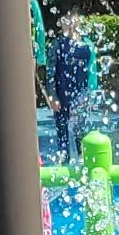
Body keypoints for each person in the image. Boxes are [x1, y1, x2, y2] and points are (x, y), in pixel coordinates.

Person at [47, 9, 98, 167]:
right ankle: (64, 156)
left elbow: (93, 72)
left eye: (73, 19)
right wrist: (52, 96)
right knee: (61, 126)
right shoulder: (57, 44)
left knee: (80, 126)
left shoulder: (87, 44)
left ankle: (82, 155)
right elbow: (50, 72)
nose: (70, 24)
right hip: (61, 92)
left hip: (81, 92)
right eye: (66, 20)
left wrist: (92, 93)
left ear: (79, 22)